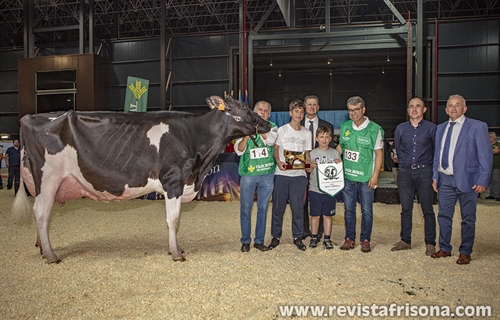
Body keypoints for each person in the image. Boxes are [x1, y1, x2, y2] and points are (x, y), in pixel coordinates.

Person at [431, 94, 492, 265]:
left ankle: (465, 251)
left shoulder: (477, 127)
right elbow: (437, 154)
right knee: (443, 216)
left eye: (458, 105)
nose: (454, 108)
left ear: (464, 109)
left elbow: (485, 156)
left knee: (468, 218)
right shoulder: (440, 128)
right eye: (450, 105)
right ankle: (445, 248)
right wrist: (435, 176)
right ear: (446, 109)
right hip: (445, 180)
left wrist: (482, 180)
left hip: (468, 180)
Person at [336, 96, 384, 253]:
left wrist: (375, 175)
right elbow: (341, 147)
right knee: (349, 209)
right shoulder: (345, 126)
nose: (353, 113)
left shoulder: (374, 129)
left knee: (366, 210)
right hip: (348, 176)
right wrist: (332, 158)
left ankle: (365, 239)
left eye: (356, 109)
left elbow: (379, 153)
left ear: (364, 109)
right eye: (350, 110)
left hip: (366, 177)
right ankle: (349, 238)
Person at [391, 97, 437, 256]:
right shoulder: (400, 129)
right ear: (408, 110)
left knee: (427, 209)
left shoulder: (432, 129)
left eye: (418, 106)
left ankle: (430, 243)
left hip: (425, 172)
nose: (414, 109)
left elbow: (436, 152)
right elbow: (396, 149)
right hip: (405, 172)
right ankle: (405, 240)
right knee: (406, 208)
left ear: (424, 110)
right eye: (411, 106)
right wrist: (400, 164)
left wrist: (435, 174)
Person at [267, 99, 312, 251]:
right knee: (278, 208)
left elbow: (307, 154)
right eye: (296, 111)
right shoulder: (282, 130)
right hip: (281, 174)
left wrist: (308, 166)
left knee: (298, 208)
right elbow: (275, 149)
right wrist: (278, 162)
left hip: (299, 177)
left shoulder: (307, 133)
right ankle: (275, 236)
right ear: (290, 113)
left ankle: (298, 237)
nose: (299, 114)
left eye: (301, 111)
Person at [234, 100, 277, 252]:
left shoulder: (272, 126)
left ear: (269, 114)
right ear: (254, 111)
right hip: (248, 174)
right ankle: (245, 241)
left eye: (265, 110)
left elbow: (271, 142)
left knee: (263, 208)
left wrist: (261, 129)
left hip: (267, 174)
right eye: (260, 109)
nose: (262, 112)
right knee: (246, 208)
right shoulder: (244, 126)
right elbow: (238, 150)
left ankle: (259, 240)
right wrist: (245, 137)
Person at [300, 95, 335, 240]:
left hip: (321, 171)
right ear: (304, 107)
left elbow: (331, 152)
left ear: (318, 107)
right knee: (302, 201)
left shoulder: (328, 126)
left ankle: (319, 232)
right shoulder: (297, 124)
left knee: (321, 198)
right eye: (309, 104)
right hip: (302, 169)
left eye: (315, 104)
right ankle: (303, 230)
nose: (312, 107)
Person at [306, 125, 341, 250]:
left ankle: (327, 238)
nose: (324, 139)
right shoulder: (312, 153)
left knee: (328, 215)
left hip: (330, 190)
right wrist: (311, 166)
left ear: (331, 138)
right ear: (316, 138)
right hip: (315, 189)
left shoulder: (335, 153)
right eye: (321, 137)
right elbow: (307, 169)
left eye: (327, 137)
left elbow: (339, 171)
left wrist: (339, 164)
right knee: (315, 215)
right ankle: (314, 237)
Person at [485, 132, 500, 201]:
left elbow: (497, 151)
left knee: (496, 180)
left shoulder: (498, 144)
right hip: (488, 166)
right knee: (490, 180)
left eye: (491, 136)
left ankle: (498, 194)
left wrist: (488, 151)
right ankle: (492, 194)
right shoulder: (487, 145)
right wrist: (492, 151)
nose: (489, 137)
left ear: (494, 137)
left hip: (496, 165)